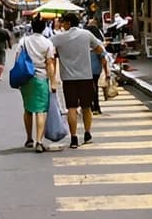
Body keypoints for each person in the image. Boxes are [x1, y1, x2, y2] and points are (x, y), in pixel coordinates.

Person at [51, 12, 109, 149]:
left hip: (68, 79)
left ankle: (74, 138)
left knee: (71, 108)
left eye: (63, 22)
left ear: (68, 23)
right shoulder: (86, 35)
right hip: (86, 77)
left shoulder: (59, 38)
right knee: (87, 107)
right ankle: (87, 134)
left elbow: (48, 48)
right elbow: (100, 49)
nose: (62, 25)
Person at [18, 16, 57, 152]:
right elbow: (50, 64)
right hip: (41, 78)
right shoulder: (47, 43)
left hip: (25, 79)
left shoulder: (23, 41)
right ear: (44, 28)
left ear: (32, 27)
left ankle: (29, 138)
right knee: (40, 111)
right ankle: (39, 141)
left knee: (28, 109)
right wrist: (53, 82)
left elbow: (18, 59)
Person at [86, 18, 106, 114]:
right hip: (97, 69)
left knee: (89, 88)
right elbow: (103, 58)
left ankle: (91, 106)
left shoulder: (85, 42)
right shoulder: (98, 42)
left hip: (86, 69)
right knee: (95, 88)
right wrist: (106, 71)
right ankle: (96, 107)